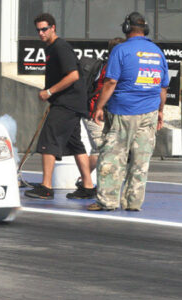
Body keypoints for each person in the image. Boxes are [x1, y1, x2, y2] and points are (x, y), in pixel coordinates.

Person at [86, 12, 169, 212]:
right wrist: (160, 111)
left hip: (123, 111)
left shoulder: (121, 50)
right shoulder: (157, 52)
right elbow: (163, 87)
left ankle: (107, 201)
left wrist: (99, 107)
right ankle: (133, 203)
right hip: (149, 111)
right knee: (141, 161)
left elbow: (111, 81)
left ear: (126, 28)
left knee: (113, 157)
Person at [24, 13, 95, 200]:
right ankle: (88, 186)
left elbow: (73, 75)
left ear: (53, 28)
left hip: (67, 103)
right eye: (38, 30)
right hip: (70, 103)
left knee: (48, 140)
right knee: (75, 143)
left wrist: (49, 92)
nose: (41, 33)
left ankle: (46, 187)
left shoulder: (60, 47)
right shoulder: (51, 48)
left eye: (44, 29)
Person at [67, 36, 124, 199]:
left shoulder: (110, 66)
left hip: (102, 113)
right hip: (94, 113)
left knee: (99, 149)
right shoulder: (110, 69)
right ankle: (88, 183)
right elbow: (108, 87)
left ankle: (85, 180)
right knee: (102, 149)